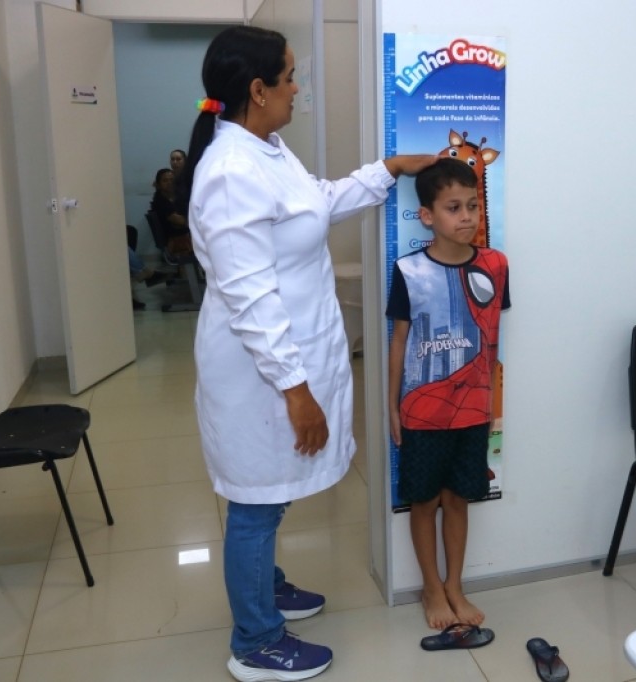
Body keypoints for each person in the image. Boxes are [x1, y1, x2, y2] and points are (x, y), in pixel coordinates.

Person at [180, 25, 436, 682]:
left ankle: (266, 588)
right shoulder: (230, 173)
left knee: (270, 492)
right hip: (259, 370)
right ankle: (256, 641)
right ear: (258, 90)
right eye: (290, 77)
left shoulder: (266, 149)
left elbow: (314, 203)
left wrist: (387, 170)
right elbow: (249, 297)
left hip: (287, 356)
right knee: (255, 502)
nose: (299, 88)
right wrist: (295, 390)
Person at [386, 158, 511, 631]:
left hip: (474, 409)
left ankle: (455, 584)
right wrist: (392, 406)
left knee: (458, 499)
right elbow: (399, 341)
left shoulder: (496, 265)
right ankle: (431, 587)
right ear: (427, 216)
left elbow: (492, 337)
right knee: (424, 501)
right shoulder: (408, 270)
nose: (467, 216)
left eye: (473, 206)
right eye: (453, 207)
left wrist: (492, 402)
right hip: (421, 411)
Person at [150, 168, 192, 256]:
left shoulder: (175, 199)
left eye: (172, 180)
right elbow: (180, 221)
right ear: (158, 184)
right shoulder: (160, 202)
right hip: (177, 241)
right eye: (165, 181)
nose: (169, 183)